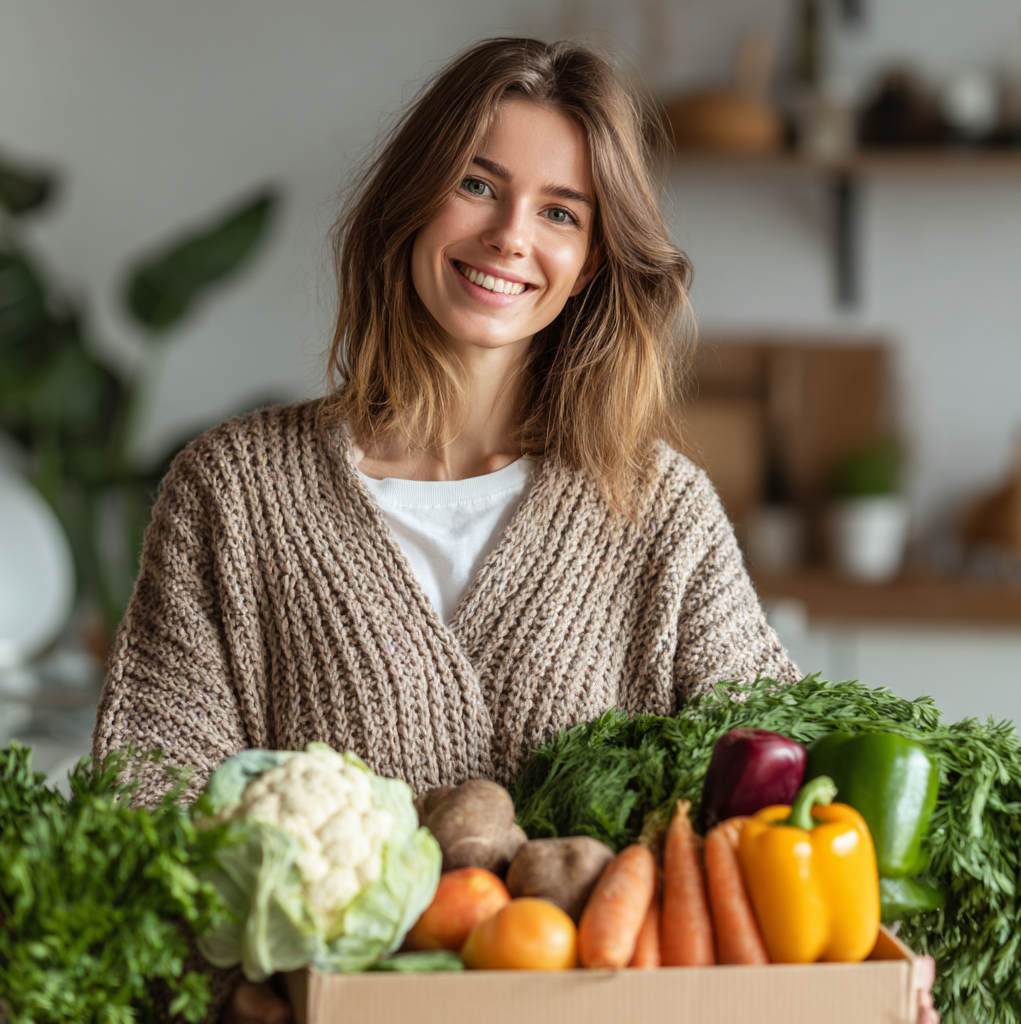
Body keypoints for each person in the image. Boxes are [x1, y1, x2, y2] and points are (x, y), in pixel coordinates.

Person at [93, 37, 801, 1024]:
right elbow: (147, 814)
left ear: (594, 260)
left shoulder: (658, 508)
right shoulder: (234, 493)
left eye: (561, 212)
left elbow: (781, 798)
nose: (513, 234)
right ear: (412, 200)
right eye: (478, 183)